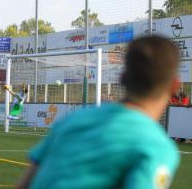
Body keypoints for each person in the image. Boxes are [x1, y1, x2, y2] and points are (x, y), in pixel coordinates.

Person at [17, 36, 181, 189]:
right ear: (175, 86)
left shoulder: (73, 120)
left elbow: (25, 183)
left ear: (122, 78)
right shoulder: (155, 145)